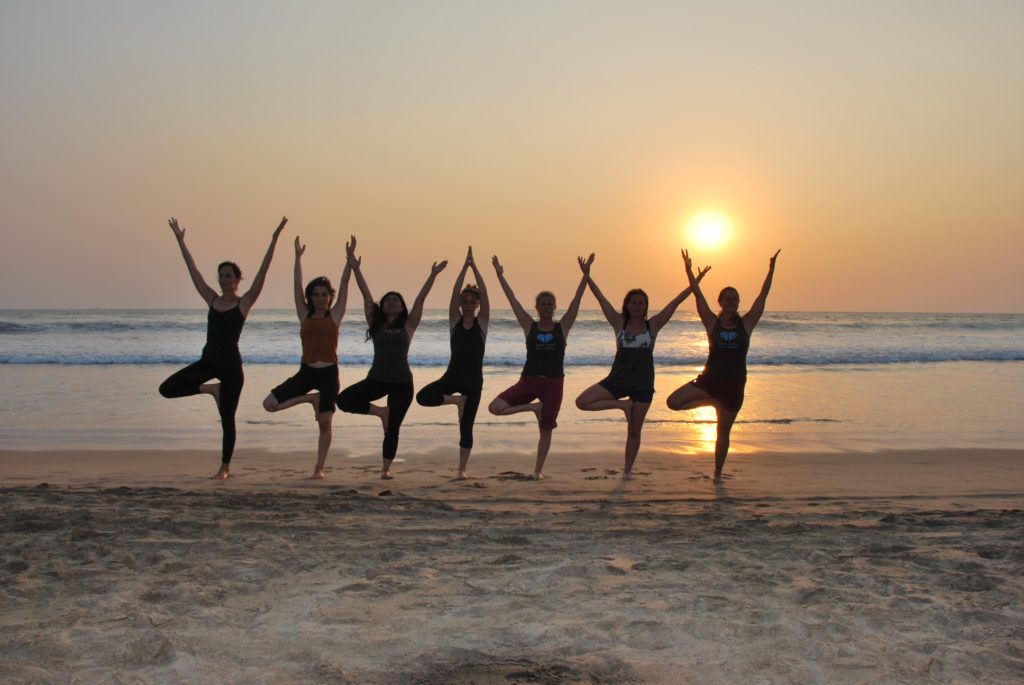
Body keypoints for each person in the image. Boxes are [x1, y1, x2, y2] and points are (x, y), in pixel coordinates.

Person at [159, 216, 287, 479]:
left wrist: (274, 240)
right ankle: (210, 389)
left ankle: (224, 468)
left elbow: (263, 274)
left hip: (231, 366)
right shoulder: (212, 299)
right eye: (221, 275)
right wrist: (181, 241)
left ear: (238, 279)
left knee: (227, 419)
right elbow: (193, 272)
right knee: (167, 389)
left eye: (228, 275)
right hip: (208, 362)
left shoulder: (243, 303)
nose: (223, 279)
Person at [575, 256, 710, 479]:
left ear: (646, 306)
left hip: (642, 384)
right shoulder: (619, 323)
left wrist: (694, 278)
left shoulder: (653, 325)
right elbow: (600, 298)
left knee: (634, 430)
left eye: (641, 303)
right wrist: (586, 274)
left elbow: (675, 303)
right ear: (627, 305)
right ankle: (623, 406)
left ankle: (627, 471)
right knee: (583, 402)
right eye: (633, 302)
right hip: (616, 379)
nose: (637, 306)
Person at [666, 248, 781, 483]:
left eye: (734, 298)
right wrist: (689, 271)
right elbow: (698, 297)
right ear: (720, 302)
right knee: (673, 402)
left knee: (723, 433)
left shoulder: (747, 323)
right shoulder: (712, 323)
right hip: (709, 381)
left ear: (739, 303)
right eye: (726, 298)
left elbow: (762, 296)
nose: (730, 302)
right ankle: (711, 402)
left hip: (734, 385)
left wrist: (771, 270)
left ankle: (717, 473)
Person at [337, 241, 447, 479]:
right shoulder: (375, 324)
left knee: (393, 429)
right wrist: (355, 267)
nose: (391, 302)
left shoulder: (408, 325)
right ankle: (380, 413)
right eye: (387, 300)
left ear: (401, 306)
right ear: (383, 306)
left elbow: (420, 301)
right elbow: (366, 296)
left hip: (402, 383)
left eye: (396, 300)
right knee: (343, 400)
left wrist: (433, 275)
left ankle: (385, 469)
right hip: (376, 380)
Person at [488, 254, 592, 479]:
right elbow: (512, 300)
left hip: (554, 384)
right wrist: (500, 275)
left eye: (549, 303)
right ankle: (533, 408)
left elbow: (577, 300)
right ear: (537, 308)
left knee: (546, 430)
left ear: (555, 307)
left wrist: (585, 274)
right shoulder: (529, 326)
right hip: (528, 381)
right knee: (495, 408)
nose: (546, 307)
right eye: (542, 304)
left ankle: (537, 472)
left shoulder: (562, 327)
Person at [262, 235, 354, 479]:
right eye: (316, 295)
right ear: (310, 297)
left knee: (325, 424)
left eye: (324, 294)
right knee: (269, 405)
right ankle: (308, 399)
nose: (320, 298)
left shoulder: (334, 316)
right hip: (306, 371)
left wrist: (350, 260)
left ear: (329, 297)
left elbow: (345, 282)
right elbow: (296, 283)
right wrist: (297, 257)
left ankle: (319, 468)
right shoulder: (304, 315)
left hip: (329, 374)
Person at [415, 247, 490, 480]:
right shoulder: (454, 321)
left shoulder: (482, 323)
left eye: (471, 302)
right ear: (459, 303)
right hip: (452, 377)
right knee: (423, 397)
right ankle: (456, 400)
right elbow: (455, 291)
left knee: (466, 427)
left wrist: (474, 267)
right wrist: (463, 268)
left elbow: (486, 294)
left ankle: (461, 469)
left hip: (474, 383)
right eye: (464, 301)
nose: (467, 304)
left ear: (476, 304)